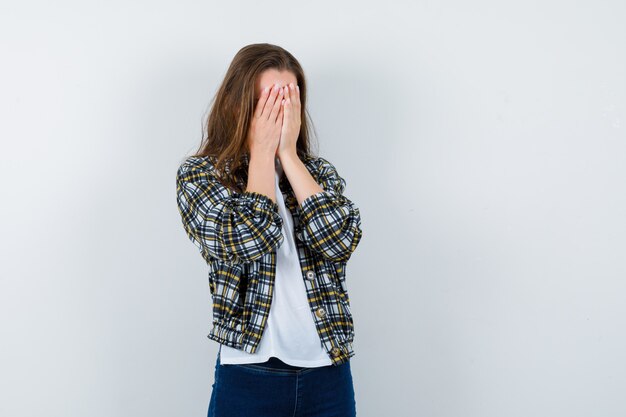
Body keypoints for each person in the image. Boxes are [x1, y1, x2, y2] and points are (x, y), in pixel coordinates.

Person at [175, 43, 363, 417]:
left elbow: (340, 240)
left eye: (288, 100)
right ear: (238, 104)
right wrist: (261, 155)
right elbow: (250, 238)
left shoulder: (318, 174)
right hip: (248, 372)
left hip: (328, 370)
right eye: (268, 101)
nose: (278, 112)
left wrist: (289, 157)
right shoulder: (201, 175)